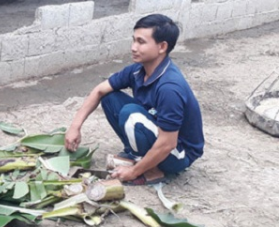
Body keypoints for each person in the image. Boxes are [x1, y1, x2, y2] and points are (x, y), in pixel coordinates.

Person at [64, 14, 204, 185]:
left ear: (162, 47)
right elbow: (99, 91)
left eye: (141, 42)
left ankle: (150, 171)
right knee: (110, 96)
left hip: (178, 154)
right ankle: (138, 156)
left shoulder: (169, 88)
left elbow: (168, 143)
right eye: (134, 40)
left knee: (131, 114)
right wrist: (74, 127)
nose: (133, 47)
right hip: (158, 133)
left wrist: (133, 172)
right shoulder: (138, 70)